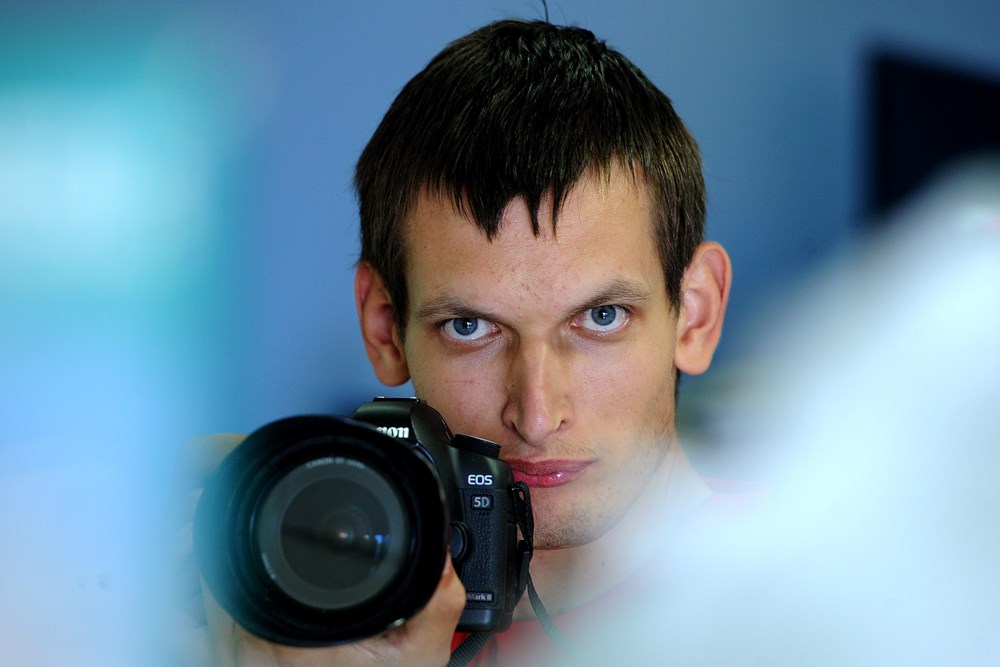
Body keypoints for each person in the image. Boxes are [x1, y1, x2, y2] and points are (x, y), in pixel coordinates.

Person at [187, 18, 733, 666]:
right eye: (470, 327)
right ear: (385, 328)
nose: (536, 414)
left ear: (695, 315)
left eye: (602, 317)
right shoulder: (292, 617)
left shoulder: (817, 607)